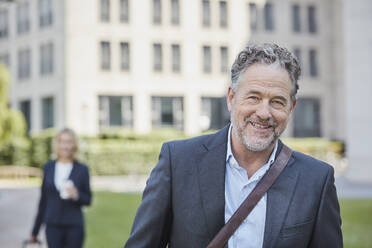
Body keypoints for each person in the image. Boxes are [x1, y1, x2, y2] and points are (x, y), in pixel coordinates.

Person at [124, 43, 343, 248]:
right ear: (231, 98)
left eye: (277, 101)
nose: (264, 113)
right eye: (253, 97)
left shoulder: (316, 180)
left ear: (291, 107)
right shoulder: (178, 162)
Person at [29, 128, 92, 248]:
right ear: (57, 144)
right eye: (62, 141)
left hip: (74, 226)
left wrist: (76, 195)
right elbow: (43, 202)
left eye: (69, 142)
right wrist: (34, 232)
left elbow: (88, 200)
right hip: (52, 225)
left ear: (74, 145)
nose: (65, 146)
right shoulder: (48, 167)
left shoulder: (82, 169)